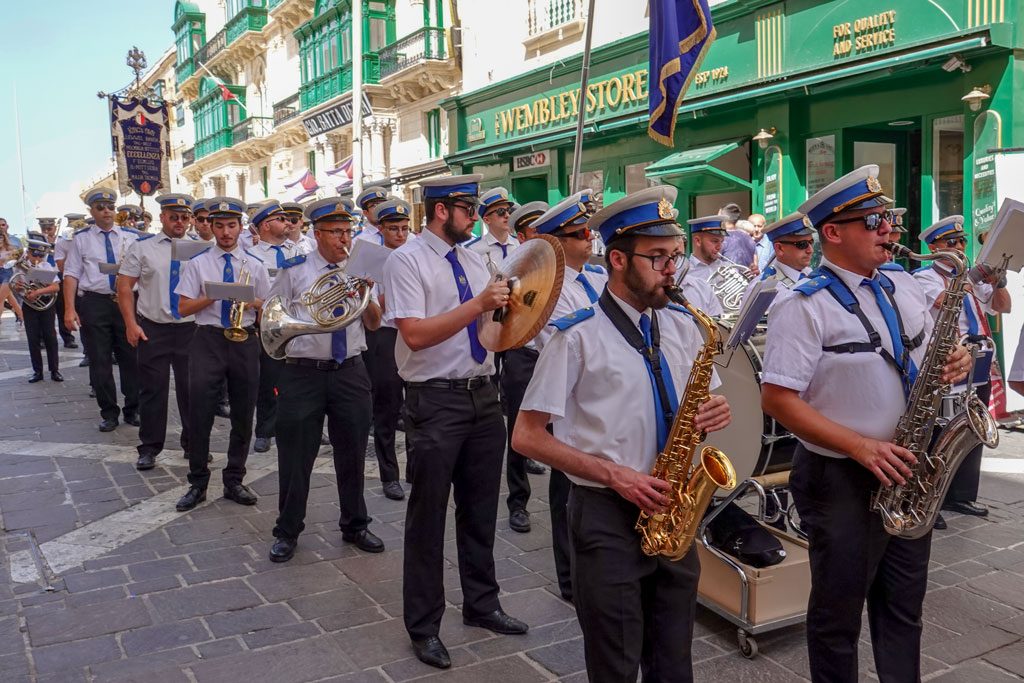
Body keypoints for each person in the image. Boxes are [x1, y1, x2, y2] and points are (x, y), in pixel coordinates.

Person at [760, 165, 971, 683]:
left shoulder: (902, 285)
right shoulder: (802, 305)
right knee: (838, 616)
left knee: (904, 608)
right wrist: (859, 446)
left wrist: (956, 359)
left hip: (909, 466)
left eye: (890, 217)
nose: (890, 230)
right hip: (841, 478)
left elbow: (928, 352)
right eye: (875, 221)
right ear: (832, 232)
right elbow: (777, 399)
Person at [513, 185, 732, 682]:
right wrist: (615, 475)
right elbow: (527, 437)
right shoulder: (577, 336)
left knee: (674, 662)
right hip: (606, 515)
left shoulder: (683, 326)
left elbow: (702, 401)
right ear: (617, 259)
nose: (671, 269)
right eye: (657, 258)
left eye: (675, 256)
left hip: (672, 508)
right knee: (614, 663)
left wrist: (713, 412)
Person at [383, 174, 527, 670]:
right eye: (468, 209)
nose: (475, 217)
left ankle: (482, 603)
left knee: (481, 509)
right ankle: (424, 626)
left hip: (483, 393)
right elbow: (415, 335)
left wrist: (509, 310)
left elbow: (489, 326)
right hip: (434, 400)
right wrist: (478, 304)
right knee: (427, 517)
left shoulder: (474, 258)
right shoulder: (406, 260)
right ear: (442, 210)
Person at [268, 197, 386, 562]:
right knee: (295, 456)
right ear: (317, 234)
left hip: (350, 370)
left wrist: (365, 295)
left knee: (352, 452)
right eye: (336, 232)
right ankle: (287, 529)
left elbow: (375, 324)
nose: (344, 239)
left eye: (347, 231)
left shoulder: (359, 270)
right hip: (303, 371)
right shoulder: (295, 269)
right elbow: (272, 317)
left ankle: (355, 524)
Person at [528, 192, 610, 602]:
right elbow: (566, 342)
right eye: (579, 234)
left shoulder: (595, 278)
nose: (589, 239)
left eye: (588, 232)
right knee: (567, 490)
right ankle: (569, 576)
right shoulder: (549, 289)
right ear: (556, 243)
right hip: (573, 397)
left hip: (604, 395)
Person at [173, 196, 271, 512]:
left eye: (231, 225)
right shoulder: (198, 263)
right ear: (211, 228)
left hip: (245, 339)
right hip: (209, 339)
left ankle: (234, 479)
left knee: (243, 412)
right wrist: (212, 296)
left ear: (240, 227)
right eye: (220, 226)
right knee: (200, 410)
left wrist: (253, 302)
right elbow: (183, 308)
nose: (226, 232)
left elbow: (268, 307)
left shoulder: (255, 265)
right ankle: (197, 482)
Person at [913, 215, 1010, 529]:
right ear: (934, 248)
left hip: (979, 359)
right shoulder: (925, 277)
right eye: (951, 242)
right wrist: (974, 276)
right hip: (948, 363)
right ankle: (928, 497)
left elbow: (1002, 306)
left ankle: (961, 495)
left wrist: (998, 282)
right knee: (937, 432)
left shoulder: (971, 279)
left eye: (962, 241)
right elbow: (946, 299)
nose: (959, 246)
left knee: (973, 427)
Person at [117, 194, 198, 471]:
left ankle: (194, 444)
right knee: (152, 390)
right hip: (154, 327)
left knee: (192, 390)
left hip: (190, 328)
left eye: (184, 217)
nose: (179, 222)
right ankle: (149, 447)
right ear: (162, 217)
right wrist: (131, 324)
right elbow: (124, 287)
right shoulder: (143, 247)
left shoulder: (200, 249)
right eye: (173, 217)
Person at [63, 186, 140, 432]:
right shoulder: (82, 238)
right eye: (100, 207)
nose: (107, 211)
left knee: (131, 357)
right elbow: (71, 274)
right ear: (92, 211)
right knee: (100, 360)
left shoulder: (131, 236)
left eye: (110, 207)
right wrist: (69, 309)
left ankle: (133, 408)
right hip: (95, 302)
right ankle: (109, 413)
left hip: (126, 301)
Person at [364, 198, 413, 501]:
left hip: (412, 333)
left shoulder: (416, 255)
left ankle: (415, 469)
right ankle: (389, 474)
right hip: (385, 334)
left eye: (405, 228)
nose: (401, 234)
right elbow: (371, 308)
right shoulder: (373, 259)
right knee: (387, 407)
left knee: (415, 405)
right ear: (381, 229)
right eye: (394, 229)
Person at [248, 200, 297, 454]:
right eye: (281, 219)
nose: (288, 223)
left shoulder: (298, 250)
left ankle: (300, 424)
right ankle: (265, 430)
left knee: (300, 379)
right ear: (266, 225)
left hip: (297, 322)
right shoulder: (252, 255)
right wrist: (267, 308)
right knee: (268, 380)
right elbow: (248, 293)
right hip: (268, 325)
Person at [15, 233, 62, 382]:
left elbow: (56, 287)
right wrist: (20, 288)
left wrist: (38, 292)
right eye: (35, 254)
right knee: (33, 338)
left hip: (45, 303)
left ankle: (55, 370)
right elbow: (16, 286)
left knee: (50, 337)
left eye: (40, 255)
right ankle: (37, 371)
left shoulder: (47, 266)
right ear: (28, 252)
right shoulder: (20, 267)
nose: (38, 258)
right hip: (29, 305)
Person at [741, 212, 815, 306]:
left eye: (811, 242)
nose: (810, 250)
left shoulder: (810, 274)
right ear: (779, 248)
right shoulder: (763, 288)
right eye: (802, 244)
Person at [37, 218, 78, 349]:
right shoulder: (38, 241)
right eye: (44, 229)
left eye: (50, 228)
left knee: (62, 308)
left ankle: (68, 338)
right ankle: (43, 338)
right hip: (44, 275)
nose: (47, 231)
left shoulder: (62, 240)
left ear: (55, 228)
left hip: (59, 275)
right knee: (44, 308)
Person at [682, 216, 727, 316]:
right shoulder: (685, 272)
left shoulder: (728, 268)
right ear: (698, 241)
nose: (719, 247)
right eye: (715, 241)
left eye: (722, 241)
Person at [465, 187, 519, 264]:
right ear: (487, 220)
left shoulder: (519, 244)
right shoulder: (473, 250)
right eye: (501, 211)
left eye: (508, 210)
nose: (507, 215)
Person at [0, 216, 24, 327]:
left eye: (3, 224)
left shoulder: (13, 244)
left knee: (1, 298)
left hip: (9, 273)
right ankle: (22, 317)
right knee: (11, 299)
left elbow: (20, 257)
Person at [719, 202, 756, 270]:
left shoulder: (721, 238)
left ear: (723, 217)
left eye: (718, 215)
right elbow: (754, 263)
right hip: (747, 275)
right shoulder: (748, 237)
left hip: (729, 275)